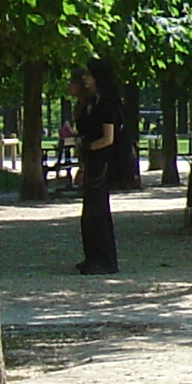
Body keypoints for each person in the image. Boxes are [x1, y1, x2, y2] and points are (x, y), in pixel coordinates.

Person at [73, 58, 122, 274]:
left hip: (102, 162)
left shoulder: (106, 105)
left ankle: (105, 259)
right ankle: (92, 256)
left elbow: (108, 138)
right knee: (90, 211)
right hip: (93, 160)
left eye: (89, 75)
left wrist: (89, 146)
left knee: (98, 211)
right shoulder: (92, 102)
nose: (85, 78)